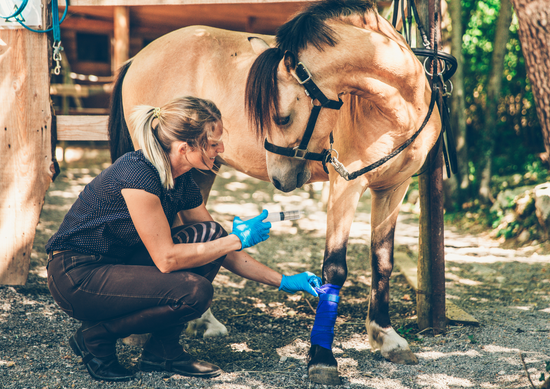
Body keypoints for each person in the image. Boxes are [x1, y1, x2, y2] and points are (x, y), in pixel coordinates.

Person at [45, 96, 321, 382]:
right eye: (213, 144)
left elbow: (218, 246)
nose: (222, 149)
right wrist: (236, 240)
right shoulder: (138, 175)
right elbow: (167, 260)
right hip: (77, 276)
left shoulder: (181, 179)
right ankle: (96, 337)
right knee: (195, 292)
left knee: (212, 232)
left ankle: (162, 351)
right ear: (184, 148)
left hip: (116, 266)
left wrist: (284, 280)